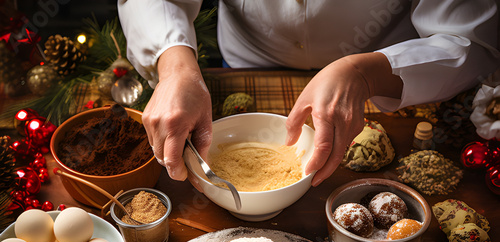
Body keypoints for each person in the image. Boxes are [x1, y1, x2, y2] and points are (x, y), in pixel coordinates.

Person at [118, 0, 499, 186]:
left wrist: (365, 73)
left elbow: (472, 41)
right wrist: (174, 66)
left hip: (392, 68)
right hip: (248, 58)